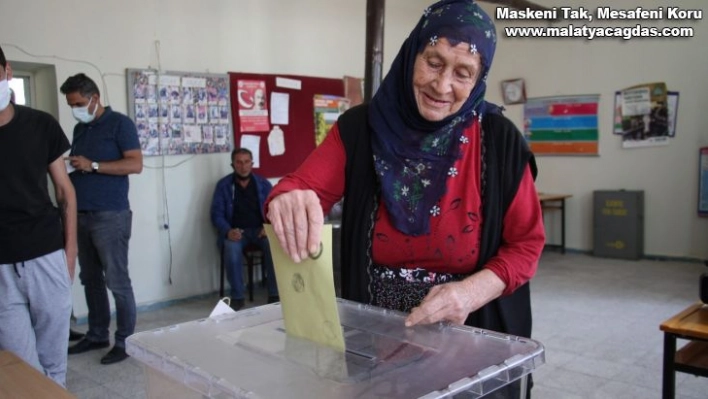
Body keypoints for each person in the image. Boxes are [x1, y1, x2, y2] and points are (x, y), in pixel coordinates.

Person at [265, 1, 544, 397]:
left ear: (480, 78)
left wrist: (469, 292)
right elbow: (297, 186)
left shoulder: (499, 142)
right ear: (414, 51)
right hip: (375, 338)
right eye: (433, 62)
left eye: (463, 73)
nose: (442, 85)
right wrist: (287, 199)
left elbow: (526, 244)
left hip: (470, 336)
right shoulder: (360, 130)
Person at [0, 45, 77, 386]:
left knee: (54, 362)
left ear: (6, 72)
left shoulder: (39, 124)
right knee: (21, 365)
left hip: (46, 255)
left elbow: (64, 191)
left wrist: (70, 251)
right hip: (2, 265)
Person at [60, 73, 143, 365]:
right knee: (90, 278)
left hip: (110, 215)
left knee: (117, 281)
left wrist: (93, 165)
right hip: (80, 213)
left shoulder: (121, 124)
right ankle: (97, 334)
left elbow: (135, 163)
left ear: (94, 98)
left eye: (79, 103)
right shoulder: (80, 129)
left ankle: (126, 342)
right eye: (71, 104)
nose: (75, 108)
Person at [211, 148, 279, 310]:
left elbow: (274, 210)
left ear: (252, 163)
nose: (243, 166)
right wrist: (228, 231)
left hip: (260, 231)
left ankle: (274, 294)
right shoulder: (224, 186)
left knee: (274, 244)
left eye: (247, 162)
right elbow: (216, 214)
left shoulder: (263, 184)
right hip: (236, 232)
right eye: (239, 162)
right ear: (233, 164)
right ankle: (237, 296)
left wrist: (268, 226)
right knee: (231, 247)